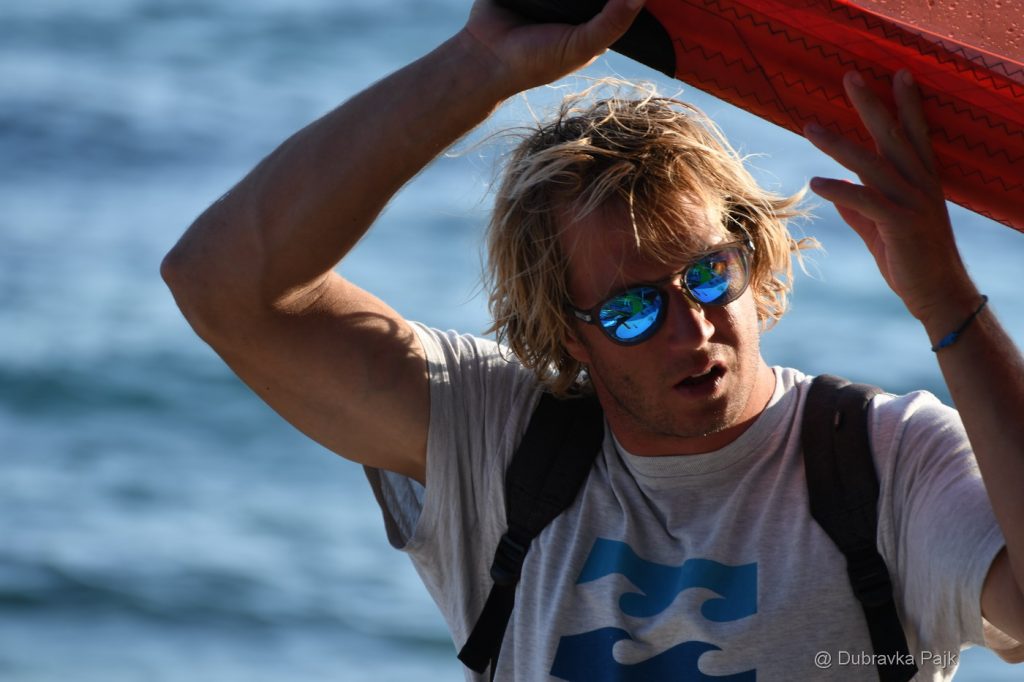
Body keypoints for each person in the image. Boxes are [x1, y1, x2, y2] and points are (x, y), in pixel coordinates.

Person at [161, 0, 1024, 678]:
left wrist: (947, 302)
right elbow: (221, 285)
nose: (692, 327)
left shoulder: (887, 462)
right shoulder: (498, 444)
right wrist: (481, 65)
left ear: (754, 257)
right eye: (631, 311)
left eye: (709, 275)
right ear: (569, 336)